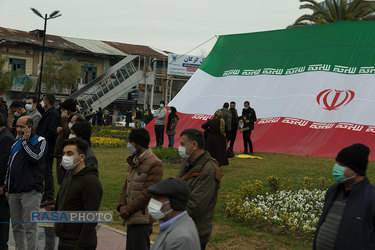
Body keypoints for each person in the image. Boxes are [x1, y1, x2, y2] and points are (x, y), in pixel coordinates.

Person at [314, 144, 375, 249]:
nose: (336, 167)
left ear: (356, 169)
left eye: (342, 164)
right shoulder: (333, 191)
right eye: (337, 163)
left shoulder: (371, 198)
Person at [117, 128, 163, 250]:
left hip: (142, 217)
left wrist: (128, 209)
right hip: (130, 215)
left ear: (137, 144)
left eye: (130, 142)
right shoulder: (134, 160)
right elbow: (126, 184)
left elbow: (148, 193)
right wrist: (121, 205)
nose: (128, 145)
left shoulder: (154, 163)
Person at [4, 116, 46, 250]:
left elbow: (35, 157)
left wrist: (26, 141)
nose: (18, 129)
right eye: (17, 126)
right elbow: (9, 167)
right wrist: (7, 187)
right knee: (17, 226)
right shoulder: (15, 143)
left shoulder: (39, 140)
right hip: (14, 192)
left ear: (30, 127)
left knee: (30, 227)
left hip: (31, 191)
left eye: (22, 127)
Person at [177, 128, 223, 249]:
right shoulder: (189, 162)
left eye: (182, 144)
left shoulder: (208, 170)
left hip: (194, 233)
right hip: (181, 229)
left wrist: (169, 212)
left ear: (194, 145)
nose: (179, 147)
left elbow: (195, 206)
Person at [54, 138, 103, 250]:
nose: (65, 157)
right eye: (64, 153)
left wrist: (81, 245)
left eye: (70, 153)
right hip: (64, 241)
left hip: (78, 244)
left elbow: (91, 218)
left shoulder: (90, 182)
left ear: (82, 157)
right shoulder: (71, 176)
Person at [147, 178, 200, 250]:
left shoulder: (181, 238)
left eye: (157, 198)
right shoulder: (175, 224)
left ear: (174, 202)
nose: (151, 202)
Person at [37, 94, 61, 206]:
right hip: (45, 146)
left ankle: (49, 195)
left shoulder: (52, 114)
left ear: (47, 101)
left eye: (43, 100)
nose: (42, 101)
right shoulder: (49, 113)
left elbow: (51, 131)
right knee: (45, 171)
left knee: (47, 172)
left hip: (47, 147)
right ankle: (46, 194)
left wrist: (41, 139)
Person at [55, 99, 77, 185]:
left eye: (63, 109)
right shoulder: (68, 118)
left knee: (65, 180)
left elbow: (69, 133)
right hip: (61, 152)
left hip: (66, 153)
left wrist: (64, 120)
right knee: (61, 179)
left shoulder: (75, 118)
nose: (61, 111)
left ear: (68, 110)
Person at [0, 114, 13, 249]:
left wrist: (1, 184)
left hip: (2, 186)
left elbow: (3, 164)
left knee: (2, 215)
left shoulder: (5, 137)